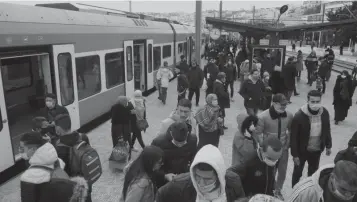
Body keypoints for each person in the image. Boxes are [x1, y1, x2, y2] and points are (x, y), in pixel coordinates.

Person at [156, 144, 246, 202]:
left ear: (219, 175)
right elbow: (161, 195)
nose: (201, 183)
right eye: (198, 177)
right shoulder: (179, 185)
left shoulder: (233, 182)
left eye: (208, 179)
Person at [254, 93, 293, 200]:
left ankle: (278, 190)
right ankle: (269, 190)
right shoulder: (263, 116)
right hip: (270, 150)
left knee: (282, 172)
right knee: (270, 171)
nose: (284, 107)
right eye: (282, 105)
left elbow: (291, 130)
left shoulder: (289, 115)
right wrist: (264, 146)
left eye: (285, 105)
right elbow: (258, 133)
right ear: (274, 103)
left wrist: (288, 144)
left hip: (283, 149)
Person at [291, 90, 332, 187]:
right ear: (308, 101)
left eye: (318, 101)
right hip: (302, 151)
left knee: (313, 174)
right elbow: (293, 137)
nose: (315, 104)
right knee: (297, 173)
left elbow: (327, 129)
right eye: (313, 101)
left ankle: (309, 190)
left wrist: (328, 145)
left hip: (316, 150)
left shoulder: (324, 112)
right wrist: (295, 155)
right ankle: (295, 190)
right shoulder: (299, 116)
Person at [19, 131, 65, 202]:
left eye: (22, 148)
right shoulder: (59, 161)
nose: (20, 150)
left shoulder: (28, 177)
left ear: (33, 149)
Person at [286, 160, 357, 202]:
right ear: (332, 177)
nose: (347, 195)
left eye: (353, 192)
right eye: (343, 189)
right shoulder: (305, 192)